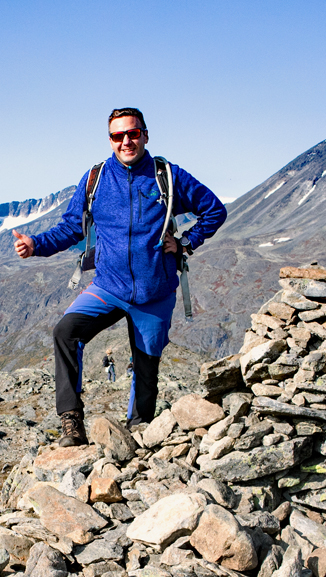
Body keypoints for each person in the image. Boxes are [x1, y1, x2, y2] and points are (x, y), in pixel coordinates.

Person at [13, 108, 226, 446]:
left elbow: (215, 209)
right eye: (118, 135)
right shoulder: (96, 179)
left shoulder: (168, 177)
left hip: (155, 292)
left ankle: (137, 436)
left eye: (133, 133)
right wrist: (35, 244)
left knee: (146, 368)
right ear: (110, 139)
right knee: (65, 333)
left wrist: (186, 242)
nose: (126, 141)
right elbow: (72, 227)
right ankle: (71, 422)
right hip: (108, 287)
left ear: (144, 134)